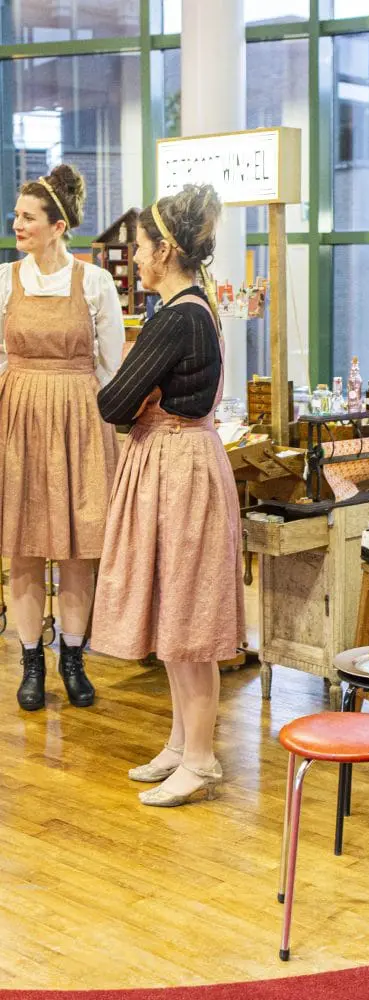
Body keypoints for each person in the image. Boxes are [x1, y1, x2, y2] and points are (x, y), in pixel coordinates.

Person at [91, 184, 245, 808]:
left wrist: (138, 395)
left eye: (141, 245)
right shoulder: (190, 308)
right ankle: (182, 743)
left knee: (189, 616)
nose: (134, 256)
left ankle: (201, 758)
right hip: (176, 462)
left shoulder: (179, 316)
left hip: (178, 468)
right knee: (177, 610)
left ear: (165, 250)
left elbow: (112, 402)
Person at [0, 164, 124, 711]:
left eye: (28, 217)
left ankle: (73, 656)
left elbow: (112, 366)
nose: (17, 224)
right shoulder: (5, 279)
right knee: (23, 548)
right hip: (19, 420)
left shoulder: (93, 282)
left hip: (79, 420)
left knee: (78, 549)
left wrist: (106, 429)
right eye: (16, 215)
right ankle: (31, 661)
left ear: (57, 226)